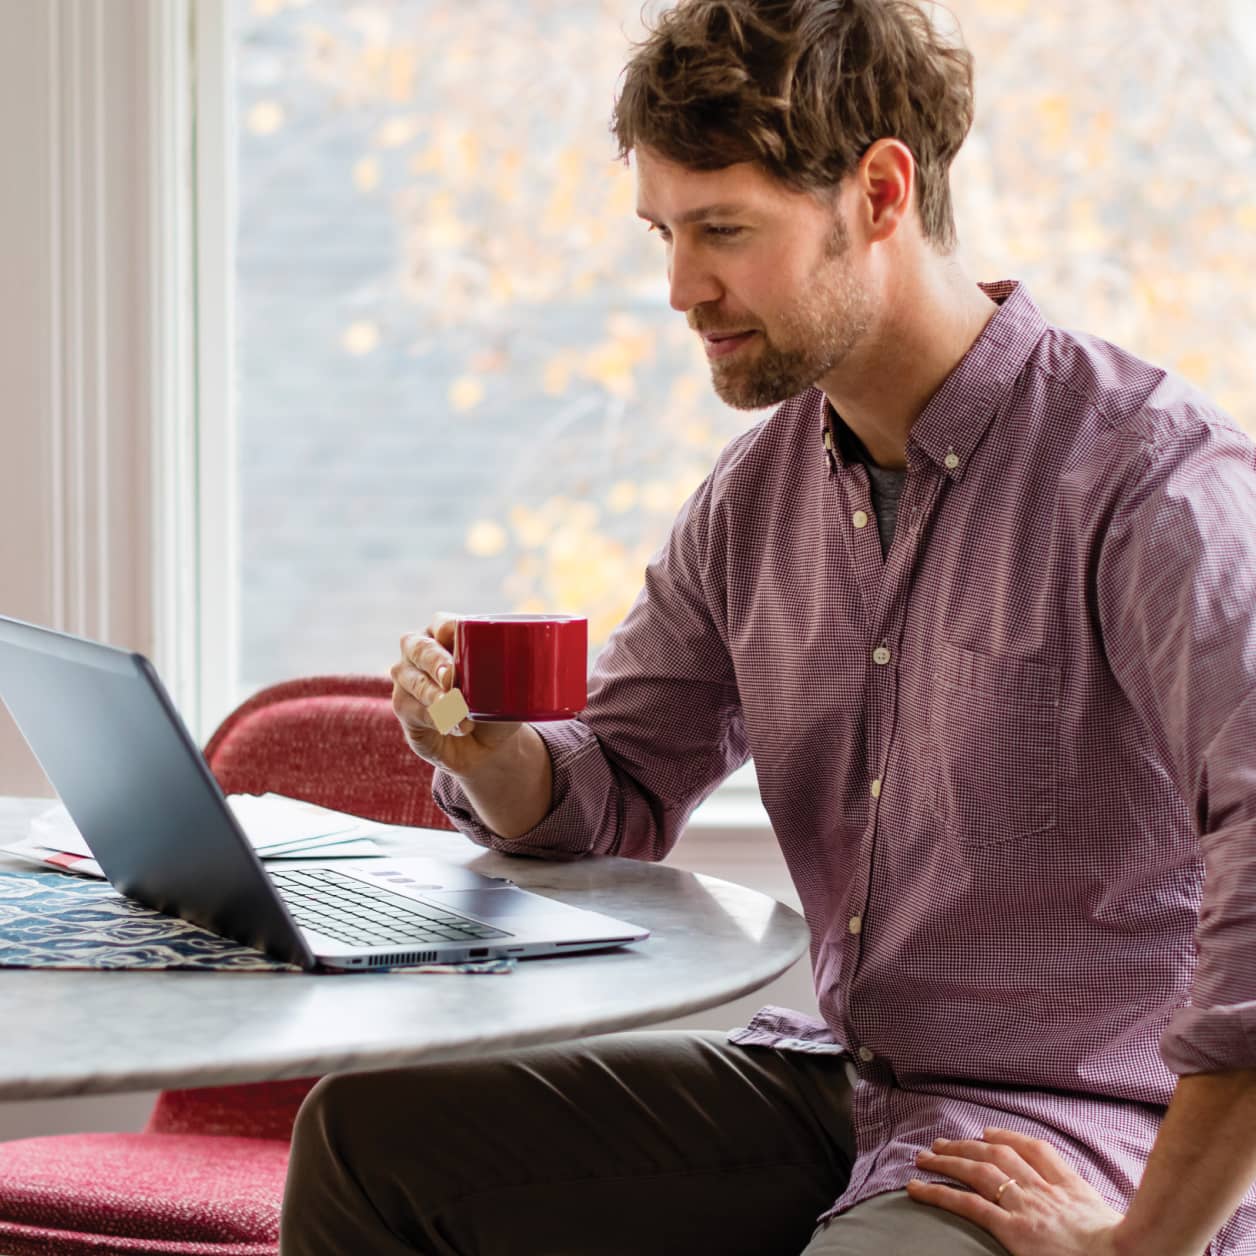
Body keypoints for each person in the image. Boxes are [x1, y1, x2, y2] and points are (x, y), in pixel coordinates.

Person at [280, 1, 1256, 1252]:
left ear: (879, 190)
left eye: (722, 231)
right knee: (371, 1141)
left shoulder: (1150, 480)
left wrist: (1146, 1244)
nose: (681, 288)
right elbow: (621, 783)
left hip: (1073, 1134)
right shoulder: (758, 494)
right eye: (664, 233)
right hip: (852, 1085)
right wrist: (497, 759)